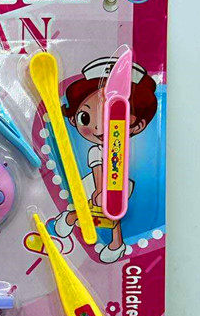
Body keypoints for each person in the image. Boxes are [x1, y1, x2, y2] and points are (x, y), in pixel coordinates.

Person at [50, 56, 157, 263]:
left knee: (110, 215)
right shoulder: (96, 152)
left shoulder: (118, 143)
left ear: (138, 125)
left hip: (117, 185)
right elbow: (98, 169)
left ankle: (115, 243)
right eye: (85, 117)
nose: (99, 127)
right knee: (91, 209)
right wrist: (100, 190)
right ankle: (71, 218)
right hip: (98, 185)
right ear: (73, 118)